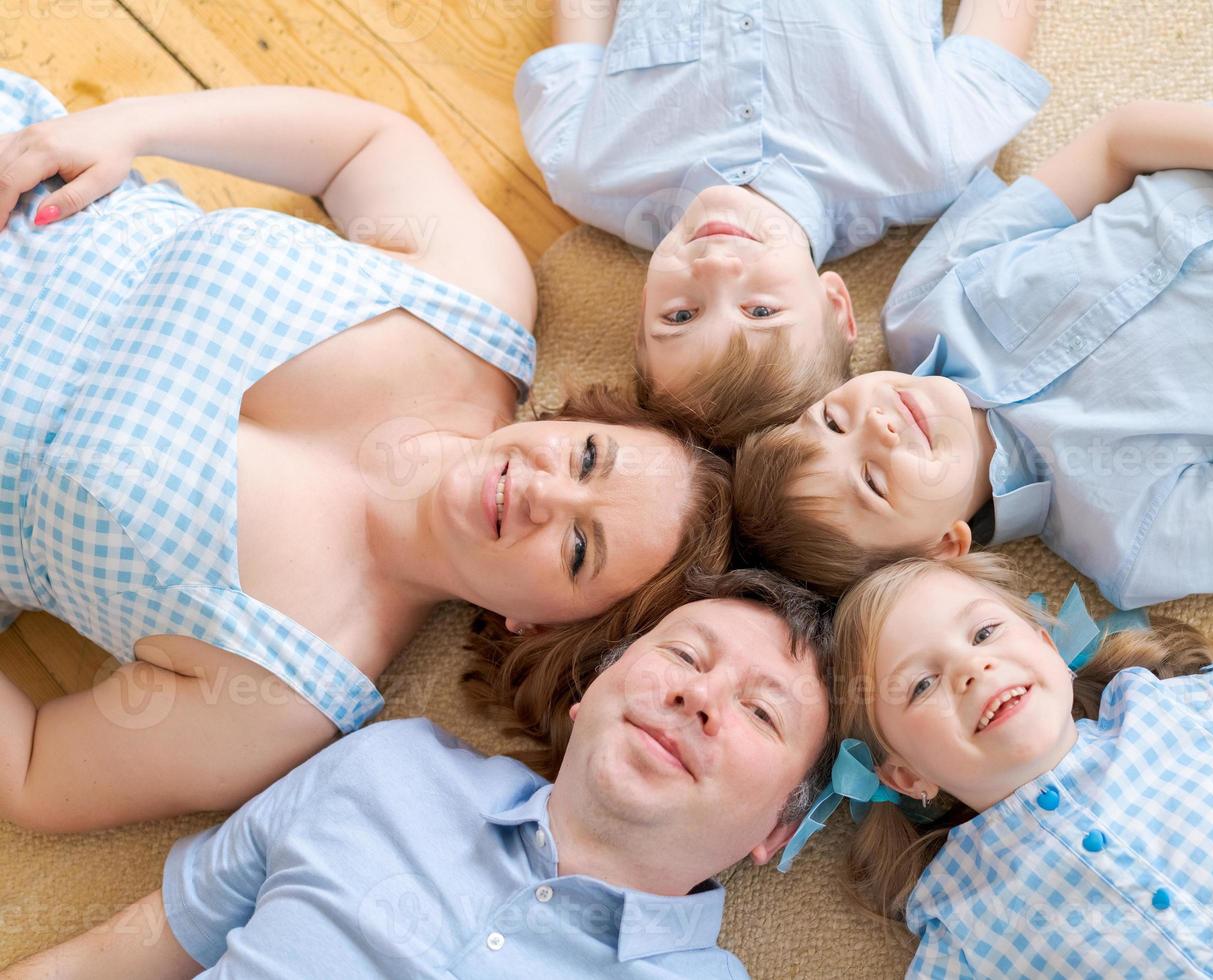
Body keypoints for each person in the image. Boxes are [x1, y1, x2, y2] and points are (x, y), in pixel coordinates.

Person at [0, 71, 733, 833]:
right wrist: (129, 123)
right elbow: (361, 147)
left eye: (580, 547)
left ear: (540, 626)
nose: (549, 492)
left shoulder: (283, 692)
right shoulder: (474, 299)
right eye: (587, 458)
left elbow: (33, 772)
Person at [735, 8, 1213, 605]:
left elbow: (1120, 142)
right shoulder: (1139, 539)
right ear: (941, 549)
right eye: (873, 478)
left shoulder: (926, 303)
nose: (881, 425)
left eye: (833, 419)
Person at [4, 570, 837, 979]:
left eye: (763, 712)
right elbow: (128, 954)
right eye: (684, 656)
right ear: (590, 693)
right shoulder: (389, 767)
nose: (698, 695)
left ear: (777, 830)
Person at [793, 551, 1213, 976]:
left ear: (1046, 643)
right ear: (908, 776)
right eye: (921, 685)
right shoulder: (957, 916)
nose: (973, 668)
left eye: (984, 631)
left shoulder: (1167, 716)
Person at [516, 0, 1049, 445]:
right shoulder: (931, 157)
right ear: (837, 308)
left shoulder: (587, 167)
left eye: (679, 316)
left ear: (641, 317)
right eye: (761, 310)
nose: (717, 267)